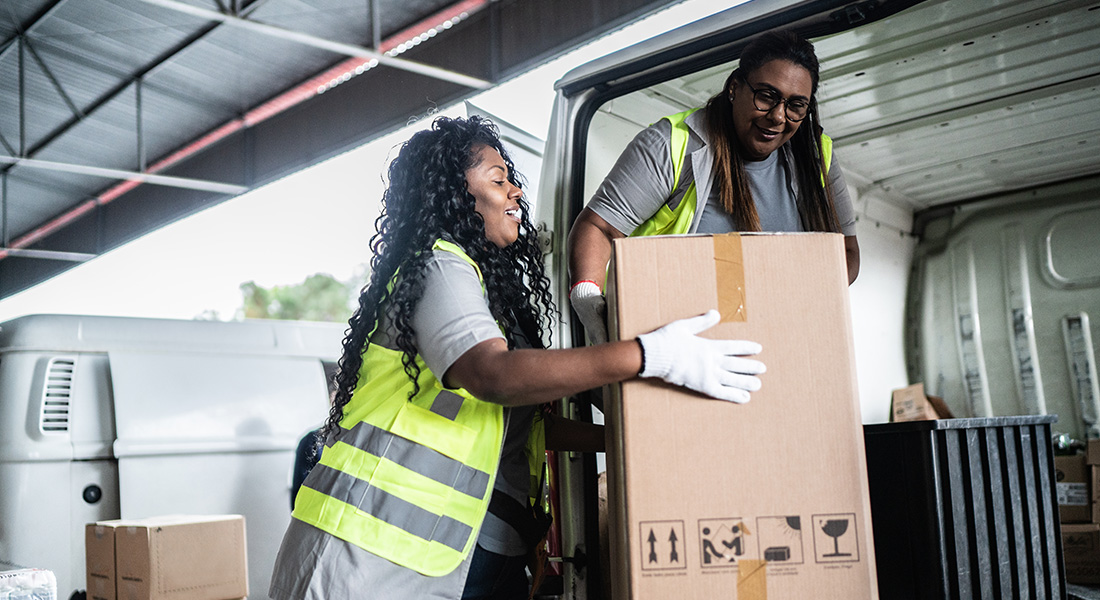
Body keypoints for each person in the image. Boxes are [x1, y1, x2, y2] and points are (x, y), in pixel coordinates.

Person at [268, 116, 766, 600]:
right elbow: (492, 377)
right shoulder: (440, 266)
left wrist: (633, 441)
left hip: (474, 550)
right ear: (454, 192)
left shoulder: (490, 298)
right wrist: (646, 355)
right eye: (499, 179)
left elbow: (522, 428)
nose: (516, 193)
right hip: (369, 557)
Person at [568, 30, 860, 344]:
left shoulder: (817, 156)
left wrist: (796, 307)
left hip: (774, 340)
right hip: (669, 342)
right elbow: (598, 227)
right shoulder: (673, 145)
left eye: (796, 106)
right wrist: (588, 299)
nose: (778, 116)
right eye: (766, 96)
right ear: (735, 88)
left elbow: (845, 252)